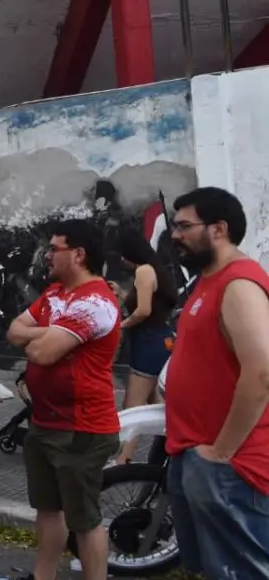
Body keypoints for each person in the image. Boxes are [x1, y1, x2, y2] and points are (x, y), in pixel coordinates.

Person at [163, 187, 269, 580]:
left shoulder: (239, 284)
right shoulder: (208, 280)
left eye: (184, 226)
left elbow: (261, 373)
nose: (175, 234)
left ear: (219, 229)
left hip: (230, 465)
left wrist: (222, 452)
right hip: (196, 452)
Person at [6, 220, 120, 580]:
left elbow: (41, 353)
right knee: (47, 509)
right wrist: (52, 332)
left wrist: (42, 336)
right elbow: (13, 331)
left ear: (79, 254)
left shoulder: (96, 302)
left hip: (81, 429)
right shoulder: (55, 294)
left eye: (55, 248)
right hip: (44, 422)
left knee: (84, 520)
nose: (48, 255)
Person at [113, 228, 178, 464]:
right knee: (156, 406)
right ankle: (173, 451)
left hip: (149, 341)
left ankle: (123, 460)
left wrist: (121, 325)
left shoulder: (143, 271)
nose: (120, 260)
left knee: (133, 406)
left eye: (122, 255)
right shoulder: (154, 270)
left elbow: (143, 311)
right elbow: (148, 304)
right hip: (159, 340)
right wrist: (122, 295)